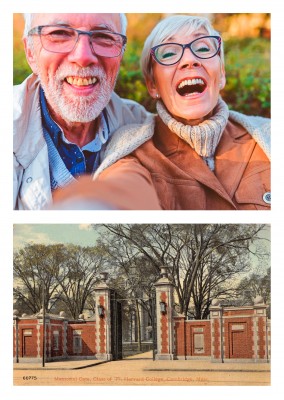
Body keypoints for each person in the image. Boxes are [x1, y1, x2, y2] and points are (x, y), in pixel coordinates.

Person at [63, 14, 269, 210]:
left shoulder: (268, 134)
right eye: (169, 53)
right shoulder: (133, 149)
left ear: (222, 74)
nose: (190, 60)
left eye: (203, 48)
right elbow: (122, 188)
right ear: (152, 85)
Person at [13, 13, 159, 210]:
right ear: (30, 52)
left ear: (121, 53)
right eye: (59, 33)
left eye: (103, 37)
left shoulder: (144, 127)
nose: (82, 57)